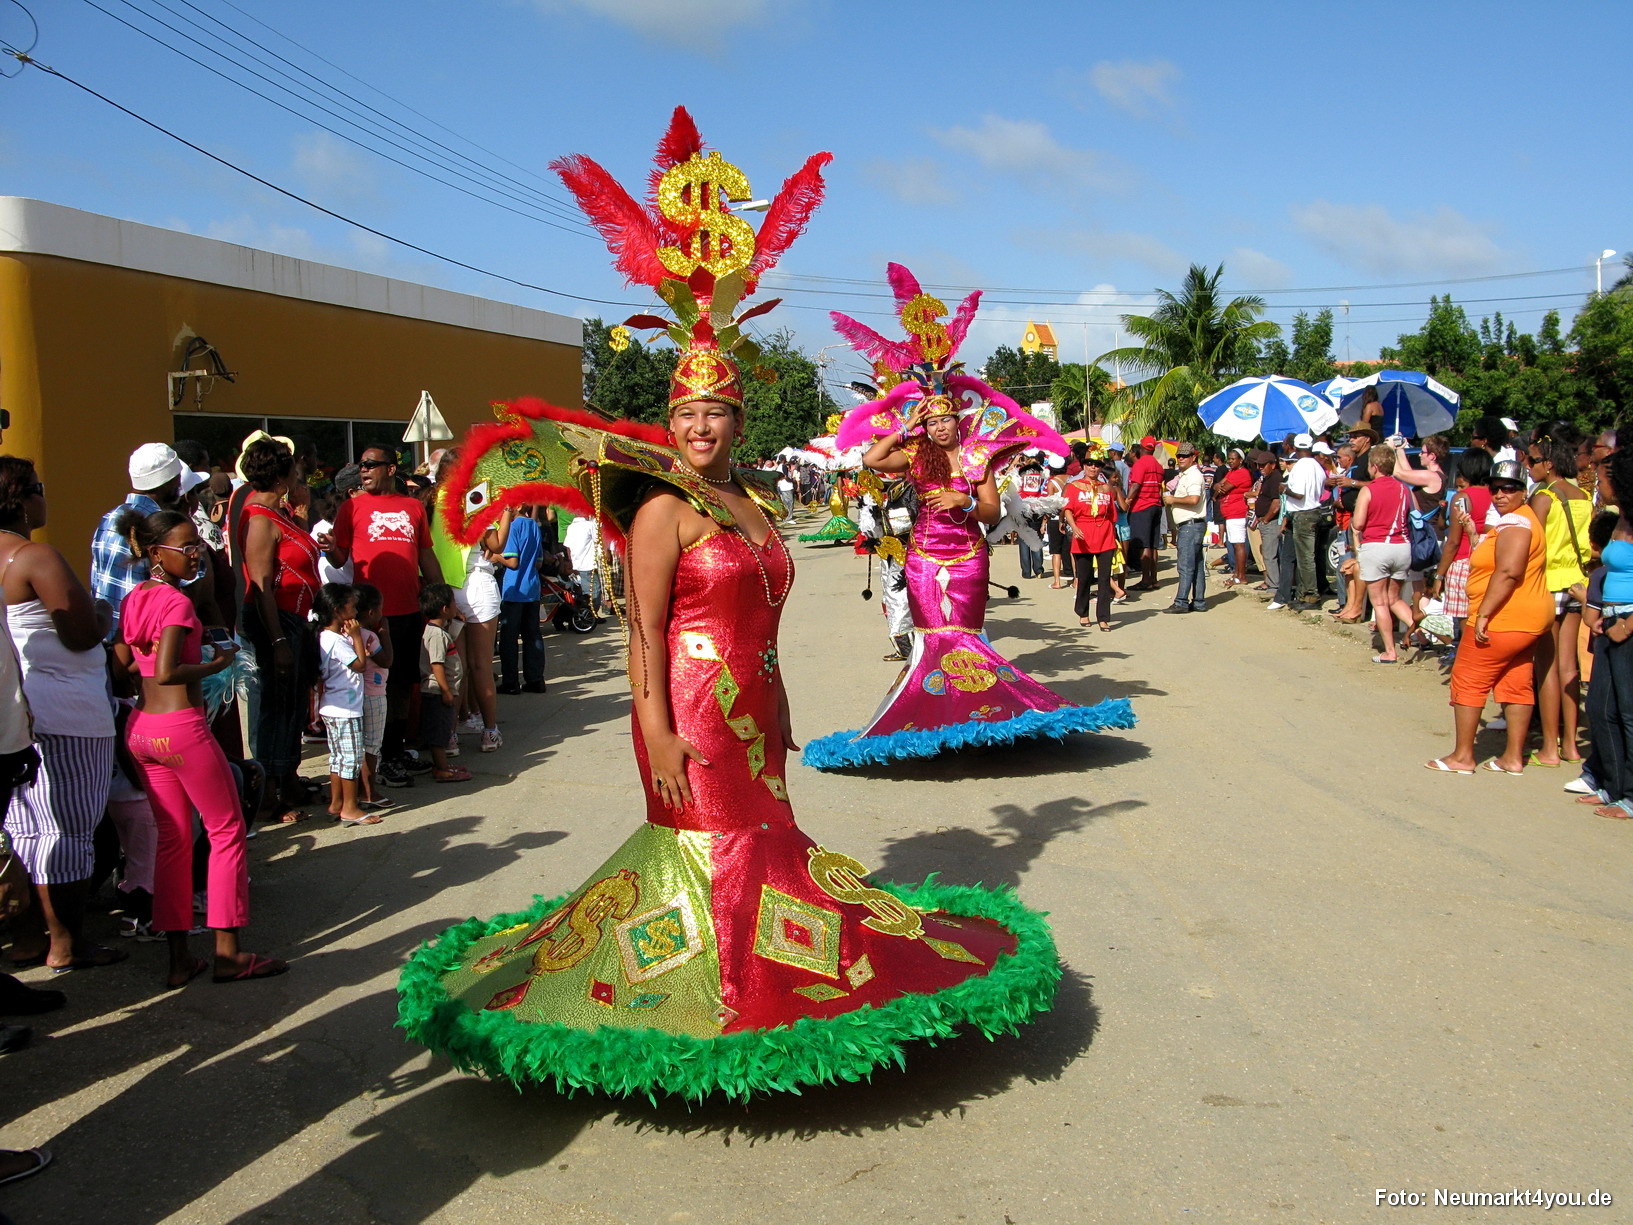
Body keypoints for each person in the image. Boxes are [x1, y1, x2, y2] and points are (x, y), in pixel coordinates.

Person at [806, 263, 1133, 767]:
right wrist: (905, 427)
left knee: (966, 637)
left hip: (968, 558)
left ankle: (979, 714)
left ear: (958, 421)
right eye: (932, 421)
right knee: (931, 640)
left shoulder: (979, 458)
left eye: (946, 420)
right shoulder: (915, 455)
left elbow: (992, 511)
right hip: (922, 558)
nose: (940, 428)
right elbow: (871, 459)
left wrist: (964, 504)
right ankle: (933, 717)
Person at [113, 510, 286, 986]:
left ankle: (179, 960)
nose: (197, 556)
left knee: (172, 840)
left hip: (142, 730)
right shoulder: (175, 602)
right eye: (187, 548)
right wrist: (218, 662)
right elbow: (169, 670)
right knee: (226, 829)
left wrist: (158, 662)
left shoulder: (135, 598)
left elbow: (125, 663)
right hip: (181, 729)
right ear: (156, 553)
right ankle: (229, 954)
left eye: (199, 547)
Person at [0, 459, 123, 974]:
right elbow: (81, 632)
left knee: (24, 830)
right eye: (40, 488)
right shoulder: (35, 556)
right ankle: (67, 942)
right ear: (23, 499)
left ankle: (30, 936)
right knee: (70, 829)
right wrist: (102, 612)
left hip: (18, 714)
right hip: (66, 710)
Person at [1426, 462, 1551, 775]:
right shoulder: (1522, 520)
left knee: (1468, 679)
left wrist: (1484, 613)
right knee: (1516, 682)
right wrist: (1473, 533)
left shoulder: (1517, 523)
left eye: (1509, 488)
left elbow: (1508, 571)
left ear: (1523, 491)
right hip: (1526, 618)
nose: (1500, 495)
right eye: (1495, 489)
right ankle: (1512, 757)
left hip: (1504, 617)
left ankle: (1463, 757)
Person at [323, 446, 438, 786]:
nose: (364, 470)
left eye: (371, 465)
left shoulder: (413, 507)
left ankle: (395, 751)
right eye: (362, 465)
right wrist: (330, 549)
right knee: (374, 689)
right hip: (369, 617)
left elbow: (425, 555)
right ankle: (375, 760)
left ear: (390, 469)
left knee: (401, 685)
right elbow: (340, 558)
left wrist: (441, 594)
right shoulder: (351, 507)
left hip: (408, 610)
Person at [236, 438, 322, 822]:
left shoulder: (279, 514)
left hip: (294, 618)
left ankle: (288, 780)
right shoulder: (259, 520)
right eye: (295, 472)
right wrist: (278, 641)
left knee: (292, 706)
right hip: (276, 621)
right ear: (282, 478)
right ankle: (268, 795)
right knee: (276, 707)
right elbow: (260, 586)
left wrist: (301, 513)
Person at [428, 451, 509, 751]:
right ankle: (490, 732)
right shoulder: (474, 498)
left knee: (456, 668)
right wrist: (507, 511)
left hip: (445, 589)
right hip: (477, 585)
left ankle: (449, 737)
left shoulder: (431, 501)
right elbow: (496, 544)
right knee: (481, 666)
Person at [1527, 427, 1593, 768]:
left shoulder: (1544, 498)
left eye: (1533, 461)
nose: (1529, 466)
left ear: (1548, 464)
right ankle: (1570, 745)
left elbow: (1533, 544)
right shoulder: (1583, 496)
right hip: (1577, 582)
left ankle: (1549, 747)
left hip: (1549, 583)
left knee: (1547, 667)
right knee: (1569, 666)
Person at [91, 443, 184, 641]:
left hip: (107, 636)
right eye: (177, 476)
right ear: (168, 480)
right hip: (145, 641)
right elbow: (190, 586)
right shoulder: (164, 525)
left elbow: (96, 580)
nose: (179, 482)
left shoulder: (109, 518)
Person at [313, 583, 375, 825]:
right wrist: (357, 636)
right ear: (337, 610)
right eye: (352, 605)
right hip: (345, 709)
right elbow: (360, 666)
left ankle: (336, 803)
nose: (356, 610)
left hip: (334, 706)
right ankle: (350, 807)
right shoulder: (336, 640)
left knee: (338, 757)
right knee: (351, 758)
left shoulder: (327, 637)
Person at [1349, 443, 1417, 664]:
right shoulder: (1404, 489)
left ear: (1375, 466)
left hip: (1377, 546)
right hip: (1402, 546)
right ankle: (1419, 631)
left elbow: (1359, 523)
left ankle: (1389, 651)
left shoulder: (1369, 489)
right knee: (1394, 598)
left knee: (1379, 602)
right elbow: (1415, 513)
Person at [1430, 448, 1496, 652]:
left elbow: (1453, 542)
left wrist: (1439, 575)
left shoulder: (1461, 498)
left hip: (1463, 563)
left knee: (1465, 621)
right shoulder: (1496, 495)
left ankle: (1468, 657)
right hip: (1490, 560)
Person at [1063, 456, 1124, 631]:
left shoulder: (1107, 488)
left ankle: (1103, 617)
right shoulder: (1074, 487)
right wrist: (1074, 527)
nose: (1093, 467)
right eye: (1089, 464)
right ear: (1084, 466)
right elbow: (1067, 509)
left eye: (1097, 465)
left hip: (1104, 535)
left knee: (1104, 578)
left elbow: (1112, 514)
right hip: (1083, 534)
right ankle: (1083, 612)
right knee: (1084, 577)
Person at [417, 582, 470, 784]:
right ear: (445, 609)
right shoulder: (436, 634)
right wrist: (446, 690)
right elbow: (436, 664)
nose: (457, 605)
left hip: (441, 692)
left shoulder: (439, 631)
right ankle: (441, 769)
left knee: (443, 729)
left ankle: (444, 766)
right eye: (454, 602)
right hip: (437, 692)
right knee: (439, 734)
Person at [350, 583, 394, 811]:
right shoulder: (369, 637)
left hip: (355, 695)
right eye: (380, 610)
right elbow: (386, 661)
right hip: (374, 695)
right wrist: (385, 632)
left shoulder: (347, 634)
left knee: (358, 745)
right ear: (371, 613)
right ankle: (368, 792)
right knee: (372, 745)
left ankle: (359, 790)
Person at [496, 504, 546, 694]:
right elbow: (539, 562)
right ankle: (535, 679)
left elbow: (512, 561)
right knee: (532, 635)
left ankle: (510, 682)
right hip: (532, 587)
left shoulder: (512, 527)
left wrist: (496, 556)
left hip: (514, 588)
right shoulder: (533, 525)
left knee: (509, 638)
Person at [1281, 433, 1327, 611]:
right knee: (1308, 556)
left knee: (1305, 558)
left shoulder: (1300, 467)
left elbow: (1299, 494)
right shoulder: (1317, 466)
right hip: (1315, 511)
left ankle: (1311, 595)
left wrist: (1284, 489)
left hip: (1303, 514)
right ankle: (1303, 594)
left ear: (1295, 448)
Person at [1162, 443, 1207, 613]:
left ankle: (1181, 601)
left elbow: (1194, 499)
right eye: (1179, 455)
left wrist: (1173, 500)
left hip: (1190, 524)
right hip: (1192, 524)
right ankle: (1199, 601)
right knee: (1196, 565)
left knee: (1186, 565)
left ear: (1193, 457)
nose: (1181, 458)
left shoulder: (1193, 476)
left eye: (1185, 456)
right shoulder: (1186, 474)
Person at [1125, 437, 1166, 592]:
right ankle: (1153, 579)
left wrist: (1128, 501)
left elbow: (1136, 485)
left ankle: (1145, 580)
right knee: (1153, 545)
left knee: (1144, 545)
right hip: (1156, 505)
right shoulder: (1158, 466)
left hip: (1142, 506)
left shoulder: (1140, 464)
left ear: (1141, 448)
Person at [1214, 449, 1252, 587]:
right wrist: (1218, 486)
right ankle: (1237, 573)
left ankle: (1241, 576)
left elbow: (1223, 488)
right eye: (1229, 459)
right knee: (1235, 545)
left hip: (1237, 513)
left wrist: (1219, 487)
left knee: (1239, 545)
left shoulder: (1242, 473)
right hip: (1230, 513)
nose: (1230, 461)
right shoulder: (1232, 472)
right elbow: (1216, 486)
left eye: (1233, 459)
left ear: (1240, 460)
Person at [1249, 449, 1282, 594]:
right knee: (1267, 554)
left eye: (1263, 465)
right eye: (1258, 465)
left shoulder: (1275, 478)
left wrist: (1266, 519)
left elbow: (1276, 503)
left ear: (1272, 465)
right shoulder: (1267, 478)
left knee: (1270, 555)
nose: (1260, 468)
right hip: (1265, 521)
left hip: (1271, 522)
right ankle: (1270, 582)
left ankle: (1274, 585)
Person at [562, 512, 606, 618]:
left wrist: (571, 560)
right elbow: (598, 541)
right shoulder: (590, 525)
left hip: (577, 564)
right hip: (588, 564)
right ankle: (590, 615)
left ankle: (589, 614)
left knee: (585, 592)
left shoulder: (571, 527)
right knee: (594, 591)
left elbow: (567, 546)